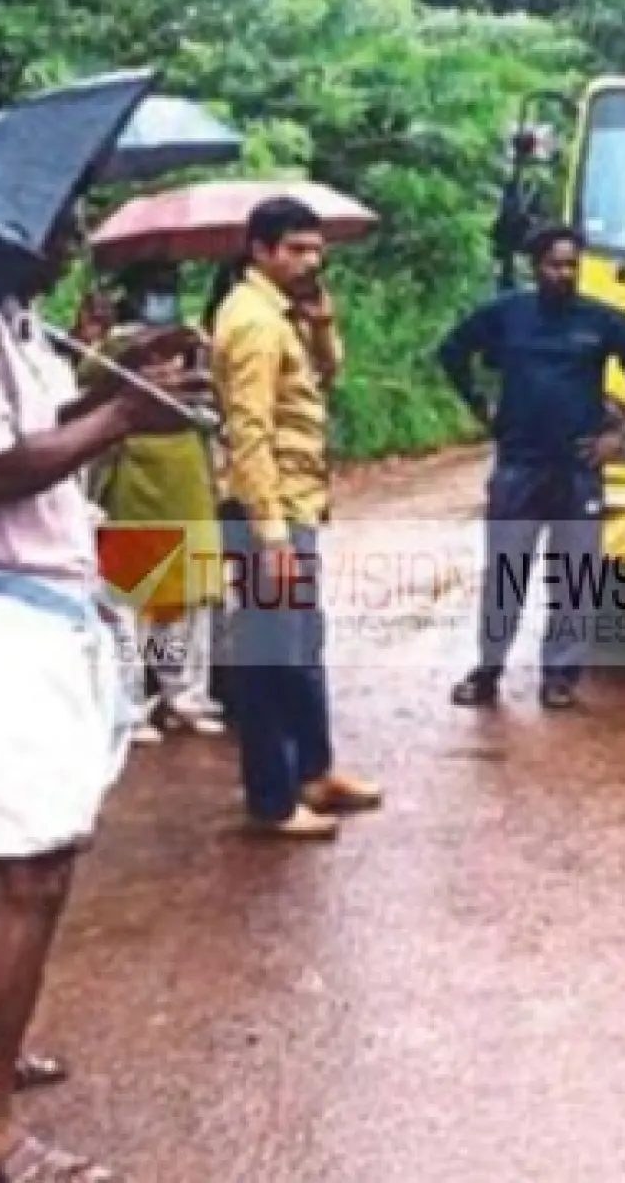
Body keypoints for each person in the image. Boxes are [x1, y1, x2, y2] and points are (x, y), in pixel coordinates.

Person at [0, 201, 187, 1182]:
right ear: (4, 232)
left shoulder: (12, 321)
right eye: (61, 226)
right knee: (32, 866)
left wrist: (107, 382)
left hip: (13, 609)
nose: (76, 243)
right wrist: (122, 417)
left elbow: (38, 426)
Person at [437, 223, 625, 710]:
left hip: (579, 466)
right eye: (554, 264)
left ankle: (560, 678)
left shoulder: (600, 321)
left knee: (576, 576)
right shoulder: (507, 314)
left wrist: (620, 436)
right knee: (505, 572)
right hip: (519, 465)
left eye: (571, 265)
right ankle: (487, 671)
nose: (564, 274)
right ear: (534, 266)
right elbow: (452, 351)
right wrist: (480, 406)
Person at [207, 197, 379, 840]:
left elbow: (324, 381)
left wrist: (322, 325)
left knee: (302, 645)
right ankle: (272, 801)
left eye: (316, 248)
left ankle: (315, 770)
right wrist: (270, 534)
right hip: (268, 511)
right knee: (269, 657)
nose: (312, 260)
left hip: (298, 502)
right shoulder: (251, 322)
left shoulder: (285, 316)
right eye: (297, 249)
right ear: (260, 251)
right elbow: (248, 433)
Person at [82, 259, 227, 743]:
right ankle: (132, 705)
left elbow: (212, 400)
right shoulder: (116, 345)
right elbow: (87, 382)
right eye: (155, 289)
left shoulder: (191, 339)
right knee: (131, 602)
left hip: (186, 472)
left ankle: (183, 696)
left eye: (169, 288)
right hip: (134, 475)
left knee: (183, 604)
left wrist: (201, 357)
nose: (164, 297)